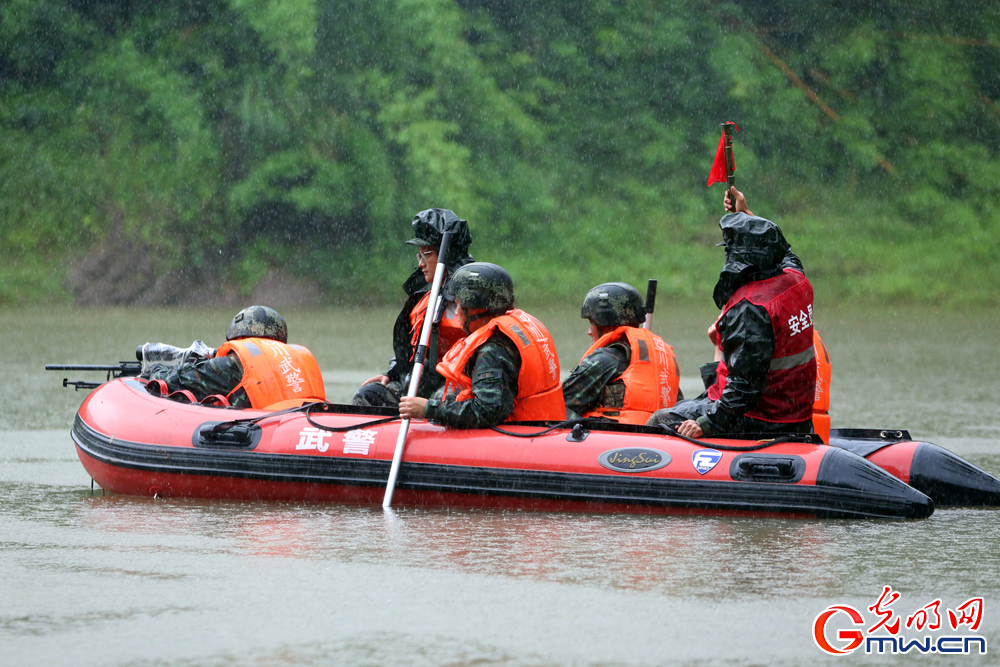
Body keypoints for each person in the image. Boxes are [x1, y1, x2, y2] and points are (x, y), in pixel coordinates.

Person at [647, 187, 816, 438]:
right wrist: (749, 216)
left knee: (659, 419)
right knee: (691, 403)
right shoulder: (797, 280)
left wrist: (705, 424)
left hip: (761, 419)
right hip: (795, 415)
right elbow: (787, 254)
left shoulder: (752, 310)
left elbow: (744, 390)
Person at [398, 262, 564, 428]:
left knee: (437, 399)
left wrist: (429, 409)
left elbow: (487, 412)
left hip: (524, 433)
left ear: (474, 310)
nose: (455, 311)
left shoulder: (492, 351)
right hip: (546, 422)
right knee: (443, 393)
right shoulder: (514, 327)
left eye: (457, 304)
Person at [352, 208, 474, 408]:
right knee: (368, 395)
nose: (421, 264)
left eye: (426, 255)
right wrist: (392, 372)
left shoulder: (472, 298)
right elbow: (414, 345)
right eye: (419, 256)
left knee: (440, 399)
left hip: (457, 387)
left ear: (447, 255)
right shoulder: (424, 297)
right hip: (423, 380)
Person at [141, 305, 325, 409]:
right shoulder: (298, 358)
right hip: (304, 426)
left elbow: (170, 380)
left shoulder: (236, 364)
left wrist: (153, 370)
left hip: (267, 436)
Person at [563, 282, 680, 425]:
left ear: (605, 322)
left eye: (592, 323)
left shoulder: (605, 360)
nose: (589, 331)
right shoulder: (664, 363)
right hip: (657, 441)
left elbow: (558, 403)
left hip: (611, 441)